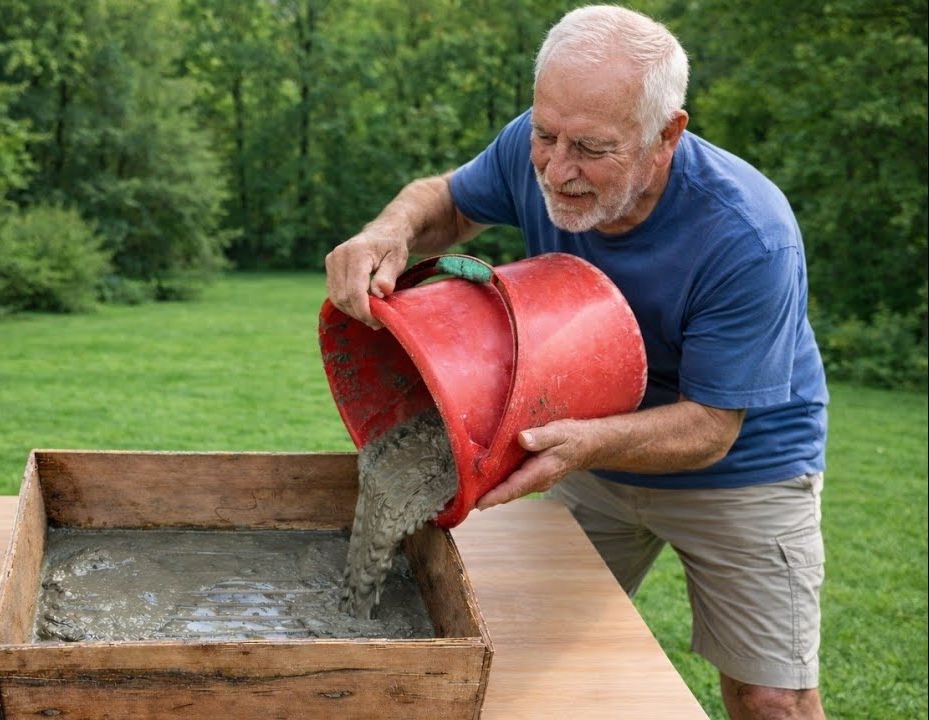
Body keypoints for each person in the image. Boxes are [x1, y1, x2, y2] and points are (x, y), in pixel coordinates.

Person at [324, 5, 829, 720]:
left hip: (742, 469)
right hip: (582, 444)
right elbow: (447, 202)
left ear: (667, 136)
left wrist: (582, 444)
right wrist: (387, 231)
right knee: (522, 652)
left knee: (771, 697)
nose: (558, 171)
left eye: (592, 149)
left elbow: (714, 425)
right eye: (545, 135)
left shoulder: (748, 234)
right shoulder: (531, 152)